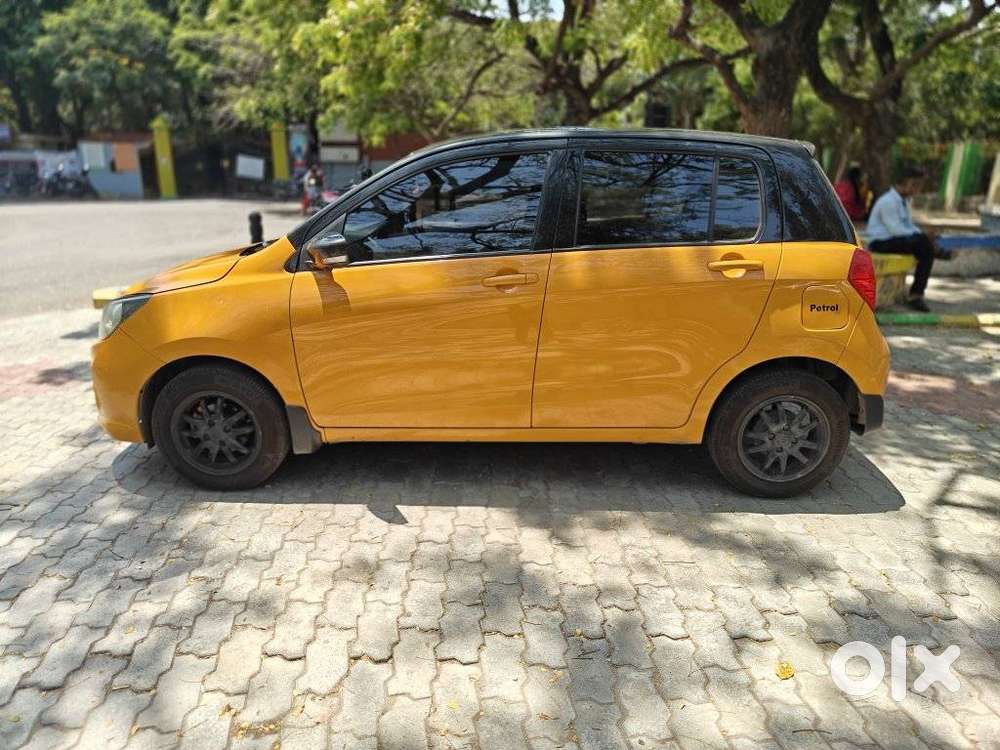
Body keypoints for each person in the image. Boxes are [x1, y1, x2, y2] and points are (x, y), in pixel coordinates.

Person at [866, 167, 940, 312]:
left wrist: (923, 234)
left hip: (895, 240)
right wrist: (922, 236)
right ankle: (916, 295)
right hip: (881, 242)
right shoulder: (888, 201)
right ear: (907, 183)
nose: (917, 190)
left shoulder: (904, 201)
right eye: (916, 185)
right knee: (924, 246)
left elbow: (908, 225)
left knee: (925, 245)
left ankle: (917, 293)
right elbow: (896, 230)